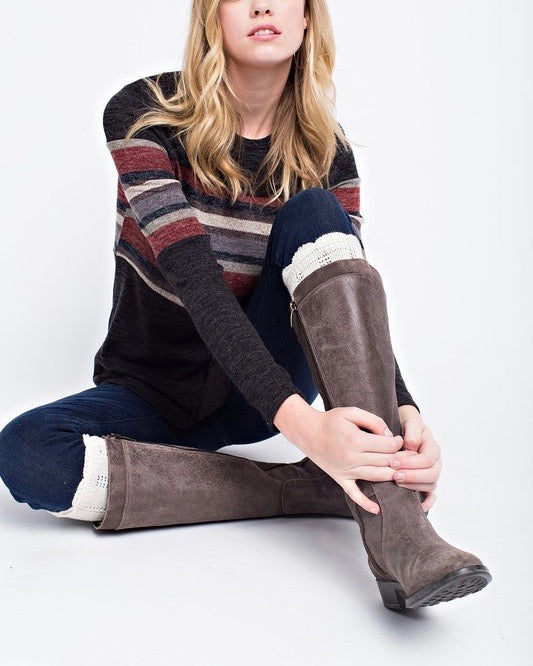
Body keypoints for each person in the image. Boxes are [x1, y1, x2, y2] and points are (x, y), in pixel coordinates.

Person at [0, 0, 491, 610]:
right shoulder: (144, 114)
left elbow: (351, 308)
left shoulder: (328, 153)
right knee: (28, 451)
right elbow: (199, 288)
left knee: (316, 211)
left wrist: (403, 416)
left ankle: (398, 530)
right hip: (153, 391)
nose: (263, 4)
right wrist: (312, 436)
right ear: (213, 14)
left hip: (261, 396)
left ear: (307, 17)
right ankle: (316, 487)